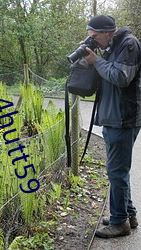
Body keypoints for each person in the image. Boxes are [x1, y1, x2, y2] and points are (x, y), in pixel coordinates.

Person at [83, 15, 141, 238]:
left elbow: (120, 77)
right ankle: (128, 214)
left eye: (95, 37)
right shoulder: (112, 46)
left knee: (116, 171)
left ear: (107, 32)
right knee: (118, 171)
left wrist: (96, 61)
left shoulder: (129, 44)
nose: (94, 41)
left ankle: (119, 223)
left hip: (123, 118)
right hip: (113, 117)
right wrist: (93, 60)